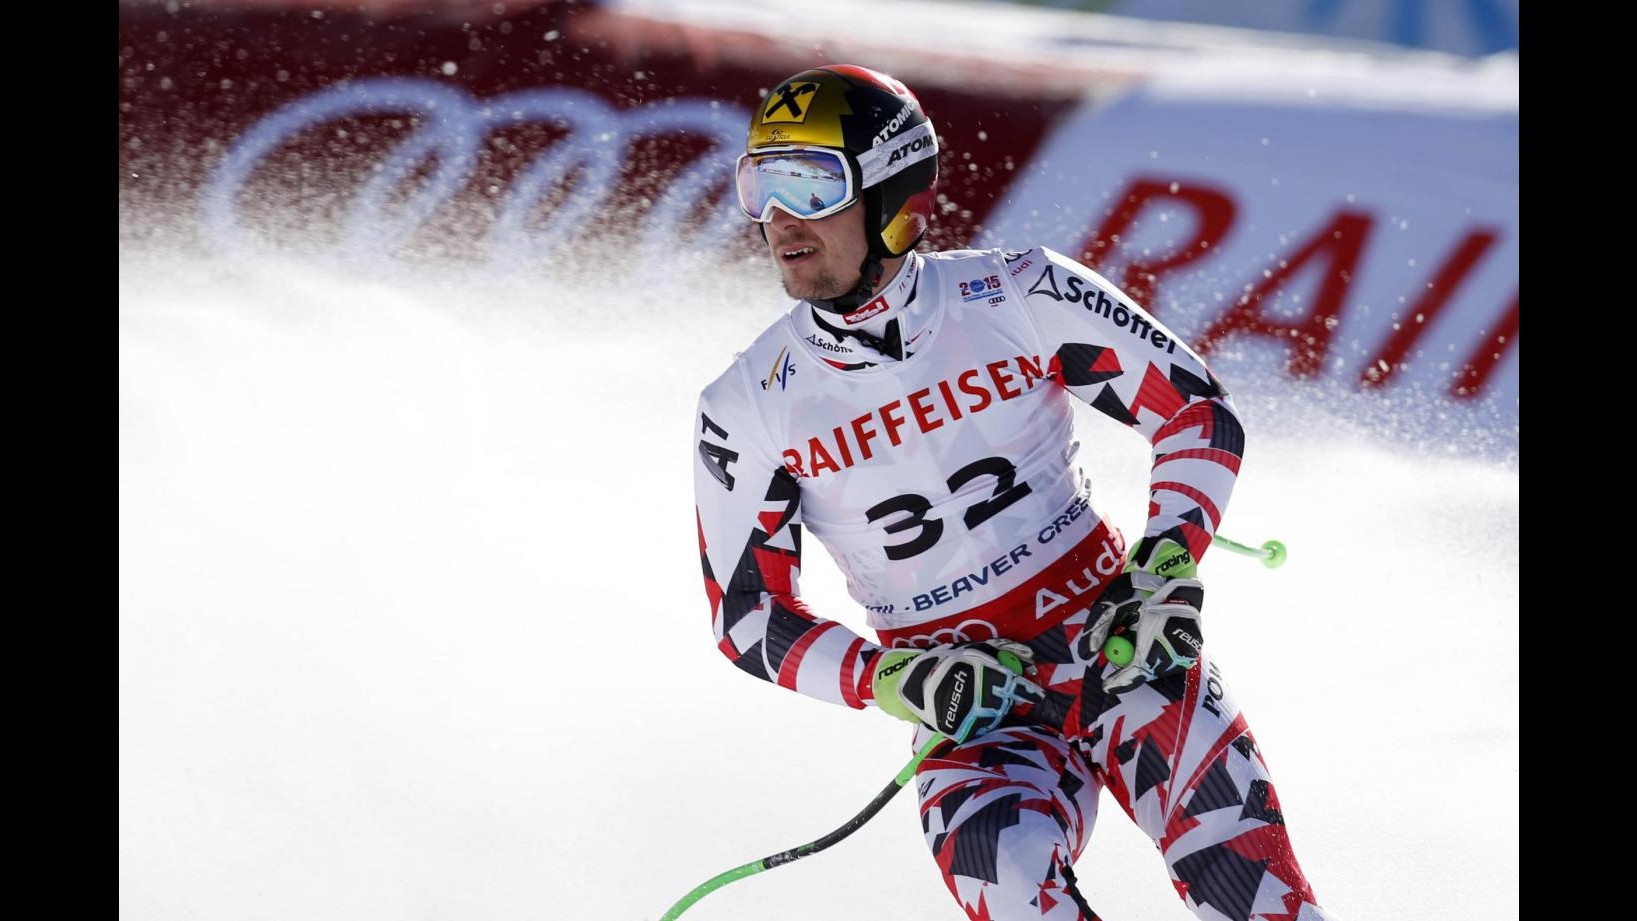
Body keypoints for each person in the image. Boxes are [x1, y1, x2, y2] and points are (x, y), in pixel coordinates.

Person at [692, 63, 1339, 921]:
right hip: (970, 705)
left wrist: (1162, 568)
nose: (777, 217)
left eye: (808, 184)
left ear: (892, 195)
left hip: (1120, 644)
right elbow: (747, 617)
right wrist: (891, 679)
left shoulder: (1017, 291)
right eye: (758, 183)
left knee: (1262, 903)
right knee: (1005, 873)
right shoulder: (744, 406)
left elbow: (1192, 410)